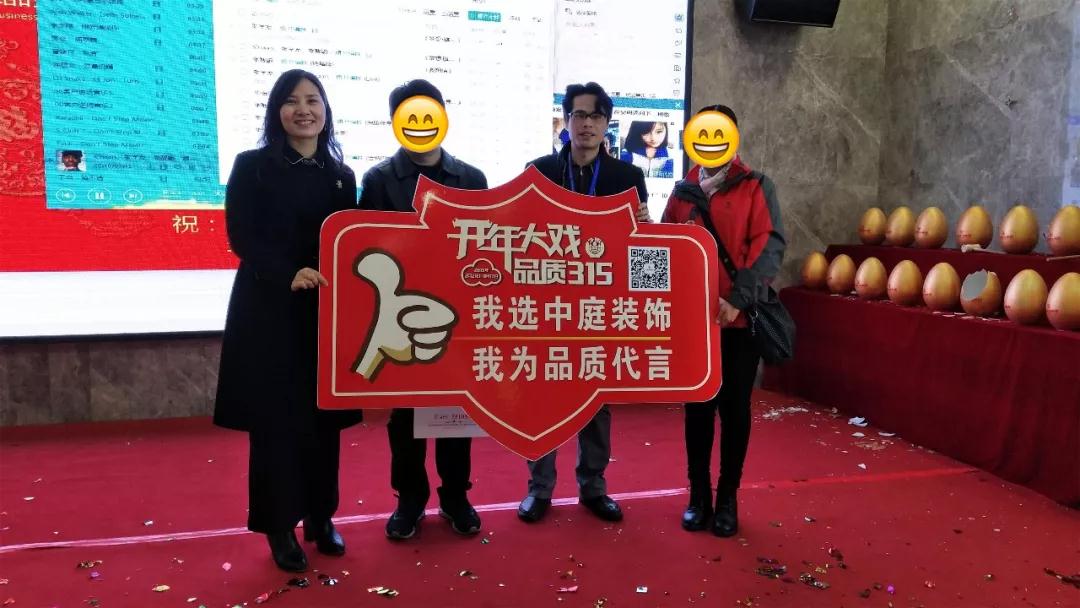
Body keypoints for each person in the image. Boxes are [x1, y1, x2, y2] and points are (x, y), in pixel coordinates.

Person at [214, 69, 362, 572]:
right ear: (276, 111)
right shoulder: (252, 166)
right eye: (292, 101)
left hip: (324, 315)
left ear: (326, 110)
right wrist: (287, 273)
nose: (304, 110)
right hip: (269, 311)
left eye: (313, 100)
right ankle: (279, 526)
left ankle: (321, 516)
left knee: (323, 421)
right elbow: (241, 236)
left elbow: (350, 243)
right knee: (275, 425)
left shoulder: (342, 176)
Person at [359, 79, 488, 540]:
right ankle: (410, 499)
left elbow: (486, 248)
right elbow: (367, 250)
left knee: (457, 413)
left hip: (458, 316)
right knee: (406, 419)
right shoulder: (377, 181)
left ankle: (456, 497)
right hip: (399, 315)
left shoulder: (472, 179)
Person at [517, 81, 650, 524]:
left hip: (599, 306)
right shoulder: (538, 172)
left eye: (595, 116)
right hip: (547, 305)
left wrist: (645, 226)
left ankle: (593, 487)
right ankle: (539, 489)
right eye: (578, 115)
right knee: (542, 396)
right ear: (566, 120)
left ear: (606, 123)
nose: (586, 123)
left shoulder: (628, 178)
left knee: (595, 399)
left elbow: (638, 247)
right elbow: (519, 235)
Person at [660, 105, 785, 537]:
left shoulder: (756, 186)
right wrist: (641, 230)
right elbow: (666, 250)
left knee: (734, 409)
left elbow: (768, 246)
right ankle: (698, 496)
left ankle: (728, 497)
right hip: (695, 326)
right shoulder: (682, 192)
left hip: (737, 322)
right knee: (698, 409)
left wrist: (736, 299)